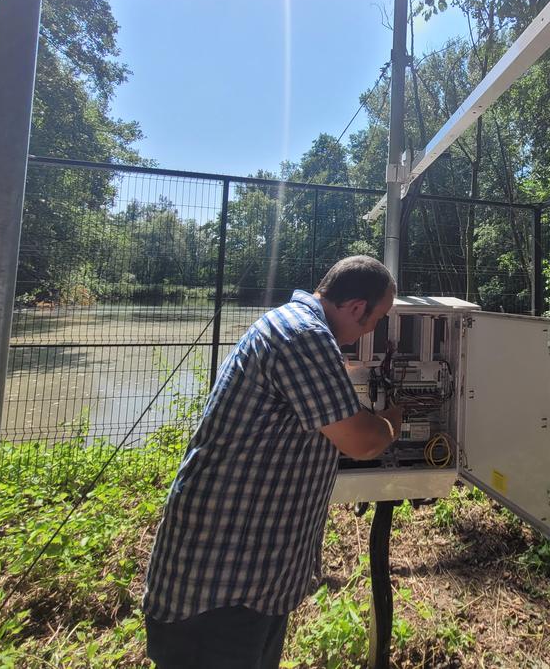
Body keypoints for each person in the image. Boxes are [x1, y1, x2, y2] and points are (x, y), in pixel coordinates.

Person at [142, 255, 402, 668]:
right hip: (221, 589)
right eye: (375, 320)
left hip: (254, 580)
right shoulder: (302, 334)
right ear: (356, 308)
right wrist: (392, 422)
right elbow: (360, 442)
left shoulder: (292, 326)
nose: (371, 331)